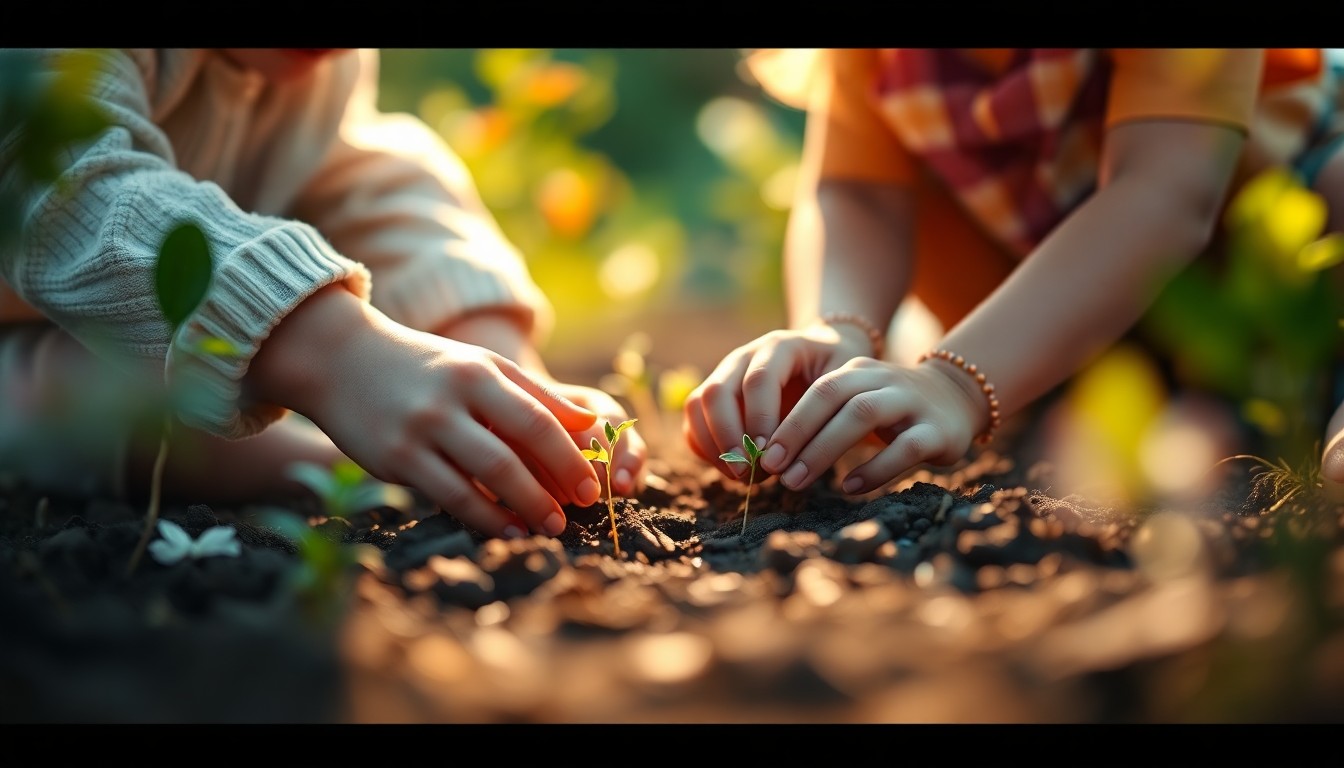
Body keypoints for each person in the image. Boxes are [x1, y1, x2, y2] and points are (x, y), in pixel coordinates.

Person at [0, 48, 647, 540]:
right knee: (73, 395)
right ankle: (343, 474)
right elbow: (58, 184)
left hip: (113, 330)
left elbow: (359, 179)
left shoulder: (316, 68)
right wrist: (333, 348)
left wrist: (496, 354)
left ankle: (422, 460)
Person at [684, 48, 1344, 499]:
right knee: (905, 373)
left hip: (1262, 272)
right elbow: (858, 193)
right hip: (1067, 322)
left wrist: (956, 382)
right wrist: (840, 328)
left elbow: (1163, 192)